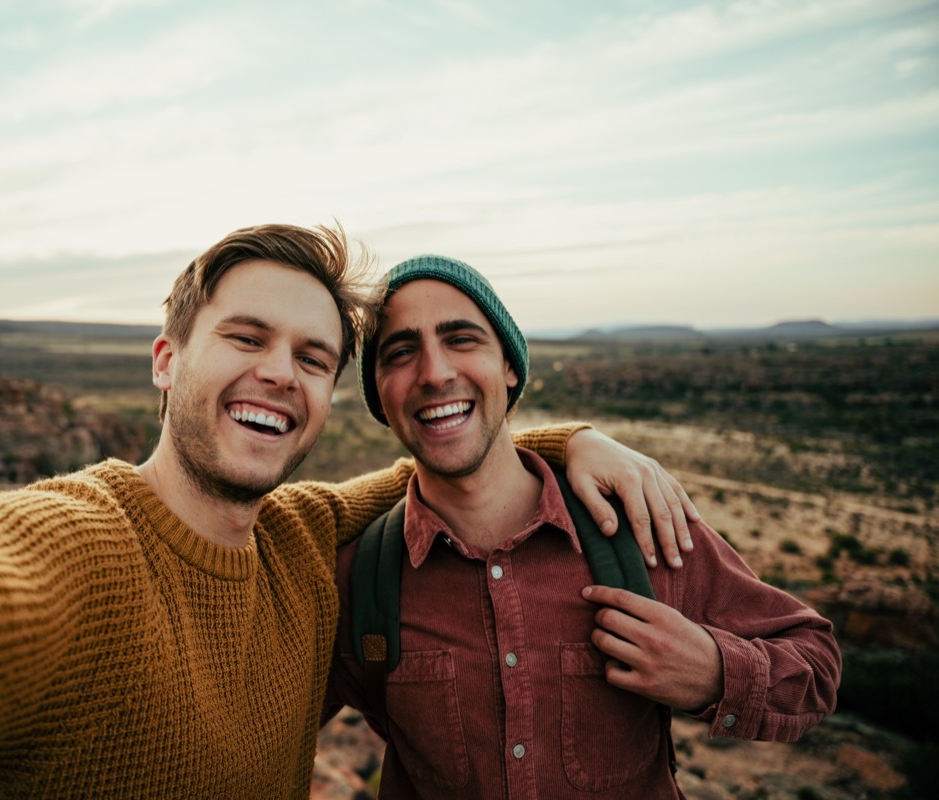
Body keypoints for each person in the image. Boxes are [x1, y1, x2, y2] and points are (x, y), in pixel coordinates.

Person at [0, 5, 701, 799]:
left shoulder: (298, 540)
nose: (281, 372)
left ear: (330, 391)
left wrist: (568, 440)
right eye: (246, 338)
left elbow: (443, 455)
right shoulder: (77, 546)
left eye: (313, 357)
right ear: (167, 359)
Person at [324, 255, 843, 799]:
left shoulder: (634, 528)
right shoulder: (358, 578)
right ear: (380, 395)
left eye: (461, 339)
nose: (434, 373)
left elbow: (816, 659)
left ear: (510, 366)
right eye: (401, 352)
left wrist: (715, 673)